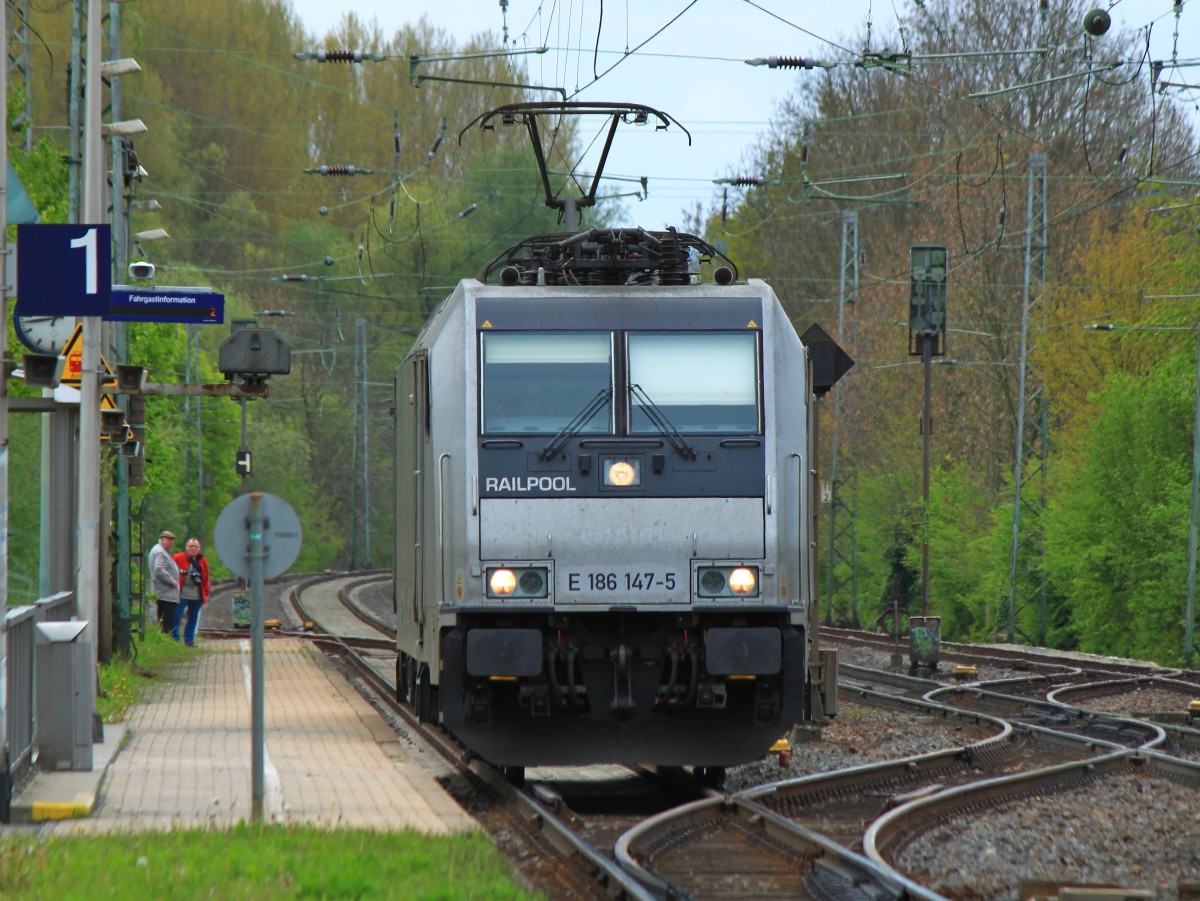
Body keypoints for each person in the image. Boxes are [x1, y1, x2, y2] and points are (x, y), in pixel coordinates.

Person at [173, 537, 210, 647]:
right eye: (191, 546)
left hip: (196, 595)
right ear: (186, 547)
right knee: (176, 616)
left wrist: (205, 592)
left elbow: (206, 577)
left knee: (193, 618)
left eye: (196, 546)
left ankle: (189, 640)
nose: (193, 548)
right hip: (181, 594)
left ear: (199, 548)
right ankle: (174, 639)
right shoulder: (178, 557)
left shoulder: (202, 560)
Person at [148, 530, 181, 634]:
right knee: (167, 624)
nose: (171, 542)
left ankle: (165, 640)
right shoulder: (160, 552)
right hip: (165, 594)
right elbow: (158, 569)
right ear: (162, 539)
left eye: (172, 540)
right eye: (168, 540)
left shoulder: (159, 550)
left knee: (162, 622)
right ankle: (167, 641)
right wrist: (172, 581)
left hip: (164, 593)